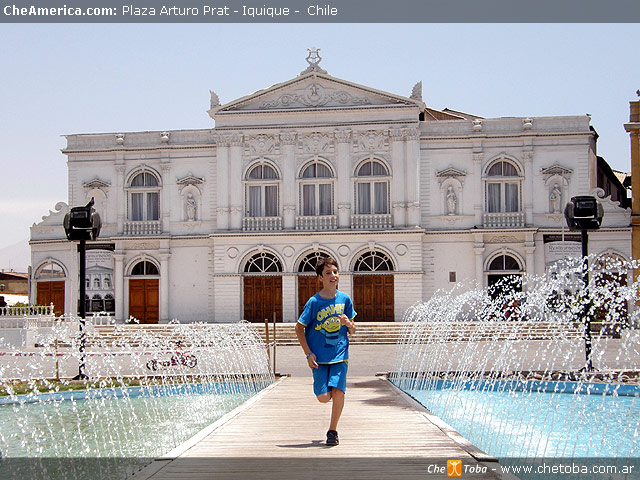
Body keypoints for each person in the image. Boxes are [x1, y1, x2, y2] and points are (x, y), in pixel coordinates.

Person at [295, 256, 356, 446]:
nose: (333, 276)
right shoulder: (314, 302)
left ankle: (332, 431)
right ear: (320, 277)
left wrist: (349, 324)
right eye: (328, 273)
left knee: (339, 391)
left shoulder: (345, 299)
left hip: (339, 354)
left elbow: (353, 330)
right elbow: (299, 328)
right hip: (319, 358)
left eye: (335, 272)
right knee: (323, 397)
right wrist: (308, 353)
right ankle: (327, 389)